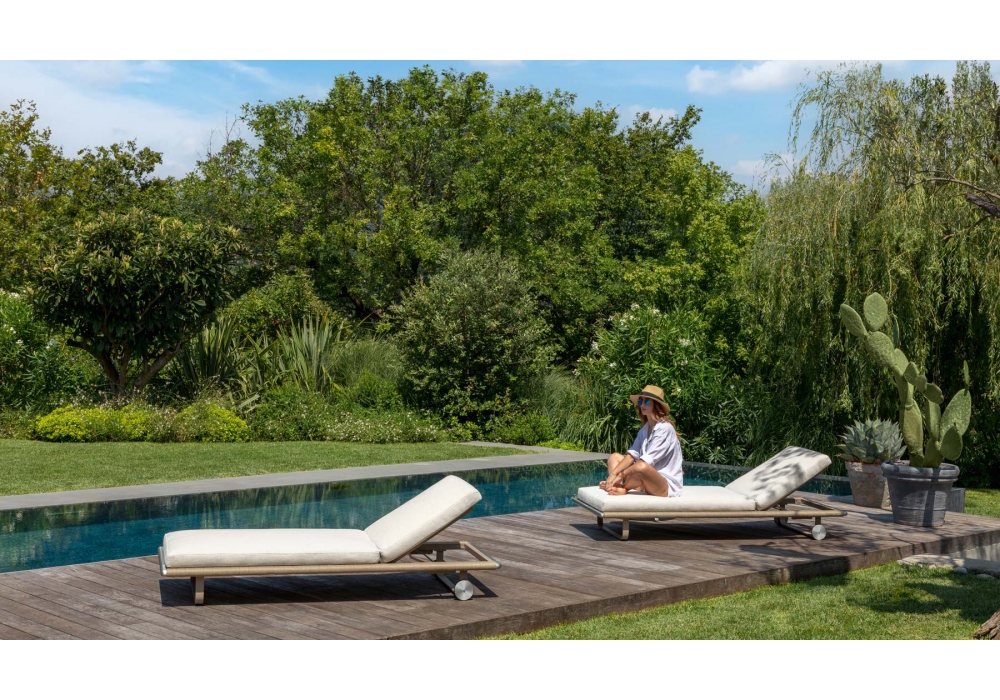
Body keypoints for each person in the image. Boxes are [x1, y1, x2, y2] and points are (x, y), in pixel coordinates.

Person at [599, 384, 683, 497]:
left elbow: (645, 462)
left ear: (656, 405)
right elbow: (632, 455)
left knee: (641, 466)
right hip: (646, 479)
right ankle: (614, 486)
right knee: (614, 457)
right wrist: (613, 474)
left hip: (665, 486)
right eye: (640, 401)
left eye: (647, 402)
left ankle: (623, 488)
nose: (642, 405)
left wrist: (620, 475)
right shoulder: (645, 429)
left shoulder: (664, 429)